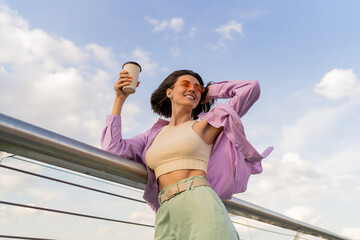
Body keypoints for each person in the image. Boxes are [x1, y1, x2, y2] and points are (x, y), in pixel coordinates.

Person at [101, 69, 273, 239]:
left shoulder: (206, 126)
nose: (192, 89)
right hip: (166, 211)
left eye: (198, 88)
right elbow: (113, 148)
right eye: (185, 84)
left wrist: (209, 91)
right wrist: (120, 99)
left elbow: (251, 88)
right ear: (169, 92)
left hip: (200, 202)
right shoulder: (151, 136)